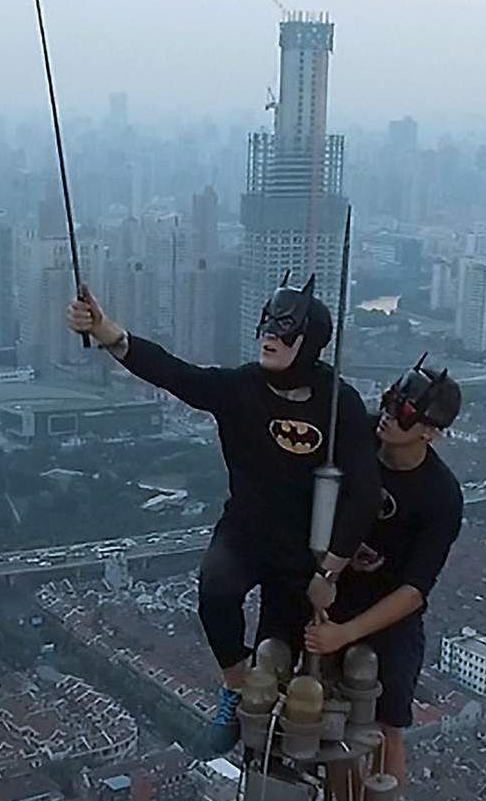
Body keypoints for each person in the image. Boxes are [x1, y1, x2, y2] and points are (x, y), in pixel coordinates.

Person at [68, 274, 381, 751]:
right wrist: (108, 331)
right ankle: (236, 688)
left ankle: (268, 730)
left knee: (277, 656)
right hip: (245, 534)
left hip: (304, 554)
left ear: (310, 341)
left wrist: (331, 569)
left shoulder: (340, 405)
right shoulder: (241, 389)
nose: (269, 337)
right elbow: (176, 374)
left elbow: (364, 493)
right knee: (215, 592)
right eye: (266, 327)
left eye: (284, 330)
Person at [305, 356, 463, 801]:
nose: (389, 415)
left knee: (387, 726)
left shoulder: (440, 495)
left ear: (432, 433)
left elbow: (415, 590)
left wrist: (347, 633)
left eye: (405, 411)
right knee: (322, 718)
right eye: (391, 401)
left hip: (388, 617)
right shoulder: (358, 450)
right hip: (330, 595)